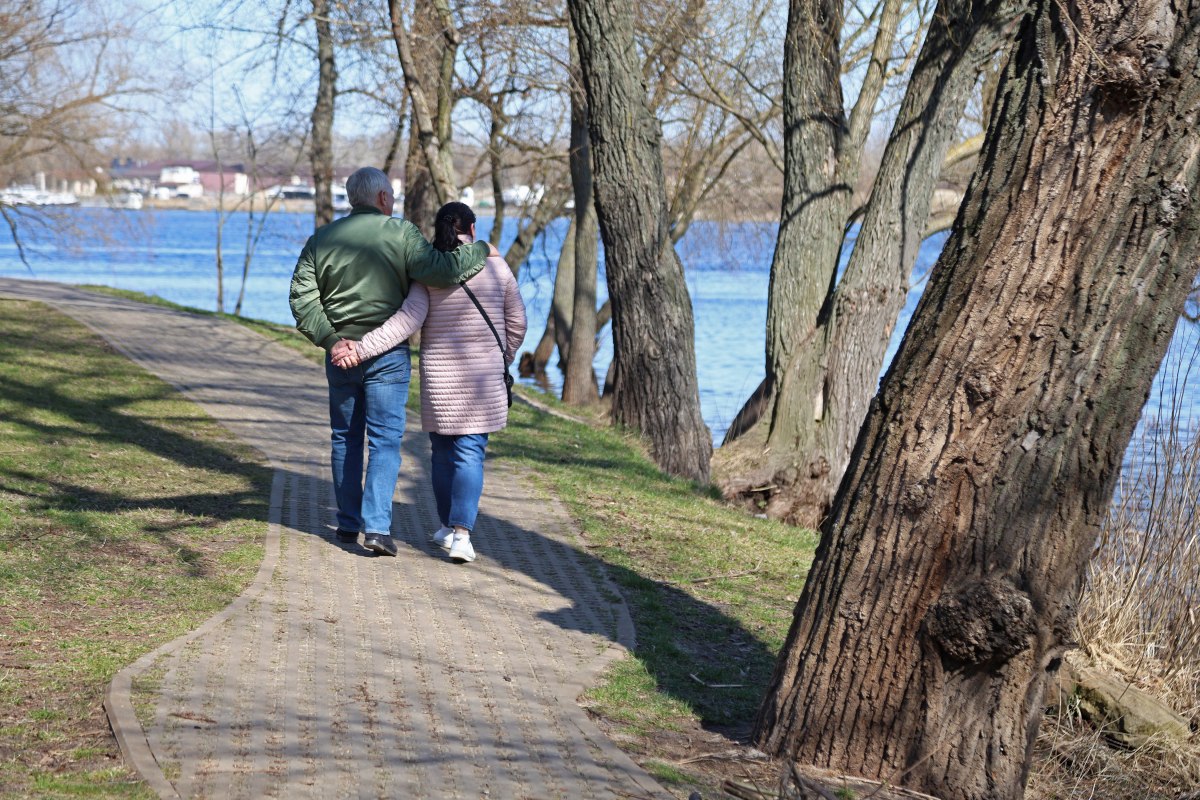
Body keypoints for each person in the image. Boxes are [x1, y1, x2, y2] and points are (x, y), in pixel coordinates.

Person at [289, 168, 497, 558]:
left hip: (341, 358)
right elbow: (443, 270)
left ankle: (348, 523)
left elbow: (302, 299)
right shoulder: (401, 233)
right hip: (386, 354)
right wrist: (481, 249)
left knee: (344, 438)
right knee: (384, 440)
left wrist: (334, 342)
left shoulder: (321, 239)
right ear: (383, 198)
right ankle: (378, 529)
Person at [331, 201, 526, 564]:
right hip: (483, 380)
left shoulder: (428, 275)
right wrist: (504, 356)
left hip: (441, 379)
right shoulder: (497, 268)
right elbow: (517, 322)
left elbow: (406, 321)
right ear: (472, 228)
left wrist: (360, 348)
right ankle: (462, 534)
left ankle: (448, 527)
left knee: (443, 453)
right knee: (470, 453)